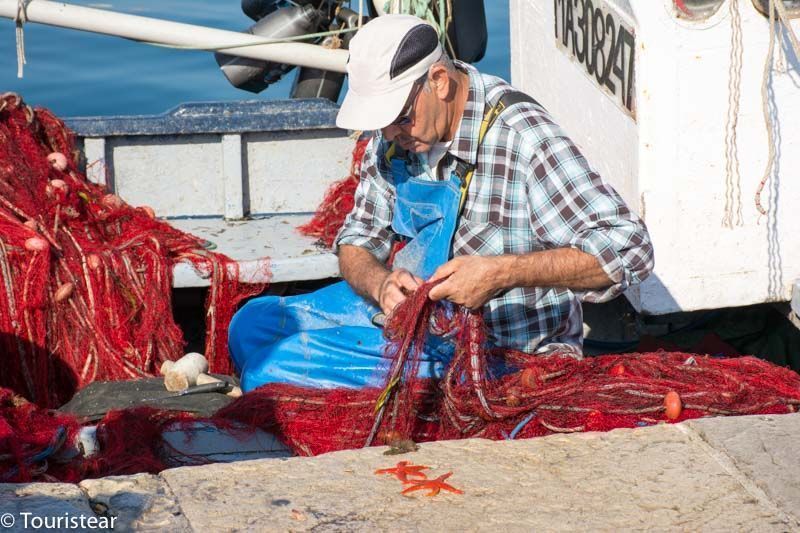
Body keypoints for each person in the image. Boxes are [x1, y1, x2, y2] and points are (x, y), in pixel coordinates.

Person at [228, 14, 654, 392]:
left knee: (271, 370)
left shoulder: (523, 138)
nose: (390, 133)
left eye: (398, 117)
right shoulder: (396, 137)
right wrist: (380, 285)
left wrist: (501, 273)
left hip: (495, 356)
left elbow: (630, 248)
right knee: (251, 324)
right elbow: (357, 239)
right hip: (414, 323)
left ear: (439, 81)